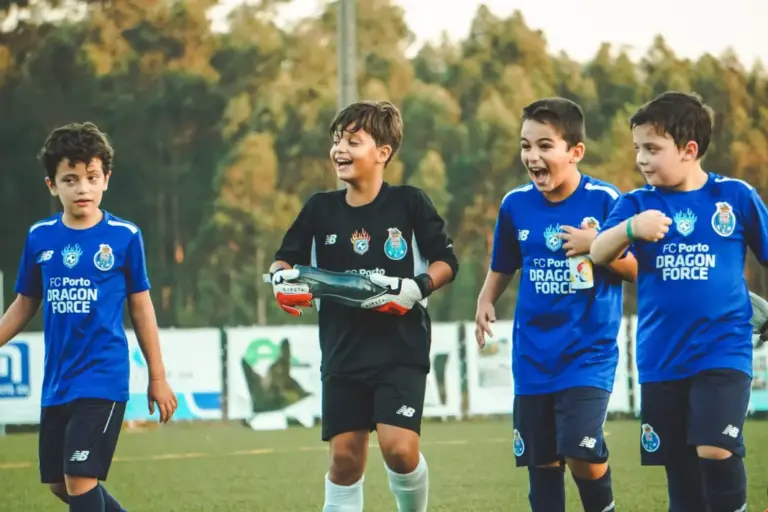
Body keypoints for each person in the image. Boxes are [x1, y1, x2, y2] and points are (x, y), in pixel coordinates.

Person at [268, 100, 459, 512]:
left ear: (383, 153)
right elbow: (284, 260)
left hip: (400, 348)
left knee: (399, 450)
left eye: (353, 142)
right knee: (344, 459)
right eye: (337, 140)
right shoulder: (319, 208)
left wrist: (416, 288)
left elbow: (447, 262)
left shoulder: (410, 202)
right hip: (343, 349)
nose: (340, 149)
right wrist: (280, 280)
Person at [591, 91, 767, 512]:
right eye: (638, 149)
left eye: (652, 149)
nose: (641, 159)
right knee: (682, 472)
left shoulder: (735, 196)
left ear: (689, 150)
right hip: (662, 356)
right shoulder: (636, 204)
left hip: (723, 350)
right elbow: (598, 252)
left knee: (715, 448)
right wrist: (631, 229)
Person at [0, 122, 178, 511]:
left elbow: (141, 307)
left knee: (79, 479)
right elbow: (26, 302)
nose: (83, 188)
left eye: (92, 177)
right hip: (58, 380)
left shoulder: (124, 236)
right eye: (71, 179)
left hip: (102, 378)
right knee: (58, 483)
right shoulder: (40, 237)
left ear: (106, 180)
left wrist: (158, 377)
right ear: (52, 185)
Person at [475, 98, 637, 512]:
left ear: (575, 151)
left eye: (545, 146)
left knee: (581, 452)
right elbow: (504, 263)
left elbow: (638, 269)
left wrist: (597, 246)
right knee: (542, 461)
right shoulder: (514, 204)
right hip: (533, 355)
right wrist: (486, 299)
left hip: (587, 352)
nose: (533, 156)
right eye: (526, 146)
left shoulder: (606, 200)